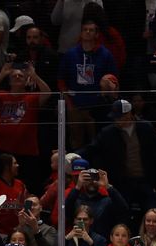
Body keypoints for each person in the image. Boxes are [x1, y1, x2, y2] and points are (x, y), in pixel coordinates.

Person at [80, 99, 156, 213]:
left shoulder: (146, 128)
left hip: (146, 181)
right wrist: (73, 155)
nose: (116, 120)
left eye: (119, 116)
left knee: (153, 213)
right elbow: (91, 149)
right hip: (122, 183)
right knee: (120, 214)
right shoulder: (107, 133)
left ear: (128, 114)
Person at [0, 63, 52, 192]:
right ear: (9, 81)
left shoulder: (32, 97)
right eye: (14, 75)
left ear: (26, 80)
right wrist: (2, 74)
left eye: (20, 75)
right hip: (2, 148)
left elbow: (47, 93)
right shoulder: (1, 95)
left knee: (26, 187)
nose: (17, 77)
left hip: (27, 150)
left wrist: (34, 75)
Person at [57, 18, 117, 148]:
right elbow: (61, 80)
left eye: (91, 30)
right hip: (75, 107)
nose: (88, 32)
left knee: (97, 143)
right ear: (81, 33)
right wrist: (69, 104)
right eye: (85, 30)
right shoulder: (70, 54)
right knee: (76, 144)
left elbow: (114, 79)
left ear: (97, 34)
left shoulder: (105, 55)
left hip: (96, 109)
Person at [64, 167, 128, 240]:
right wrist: (78, 186)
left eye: (95, 178)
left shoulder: (107, 201)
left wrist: (107, 186)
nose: (92, 182)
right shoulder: (77, 200)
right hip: (79, 243)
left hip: (101, 245)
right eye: (88, 179)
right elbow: (64, 210)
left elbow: (123, 209)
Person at [0, 153, 29, 236]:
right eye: (15, 163)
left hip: (18, 232)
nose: (17, 165)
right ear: (6, 166)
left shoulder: (20, 184)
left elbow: (25, 206)